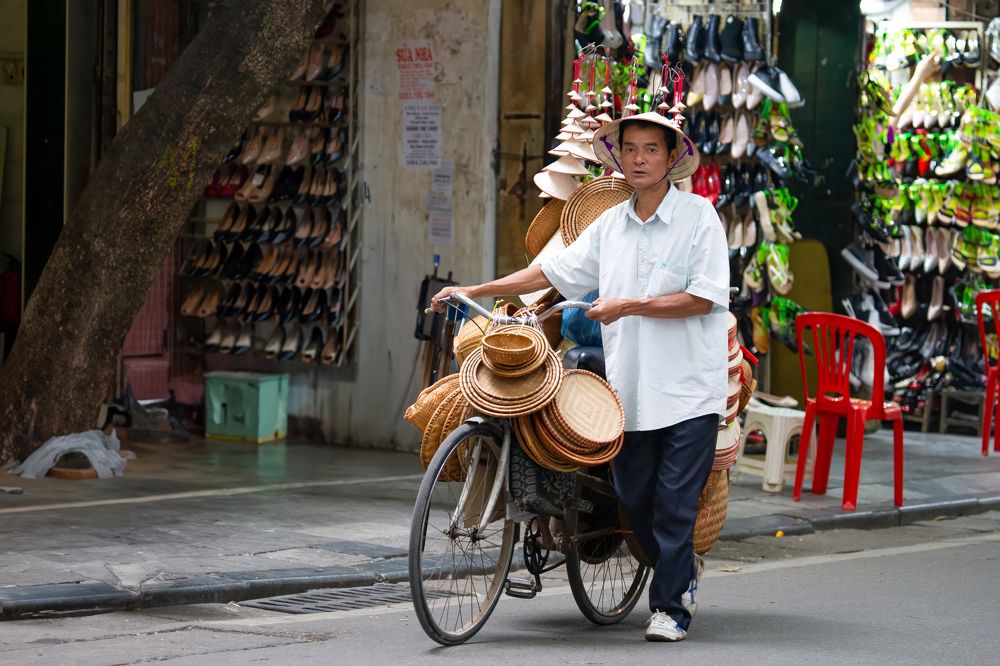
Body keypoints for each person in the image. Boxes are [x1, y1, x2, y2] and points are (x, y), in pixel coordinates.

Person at [431, 111, 729, 642]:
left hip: (688, 391)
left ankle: (670, 608)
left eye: (651, 150)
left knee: (674, 504)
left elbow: (704, 297)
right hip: (631, 393)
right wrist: (474, 290)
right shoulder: (609, 225)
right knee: (635, 503)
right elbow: (549, 272)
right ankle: (679, 575)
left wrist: (628, 306)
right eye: (631, 149)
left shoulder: (699, 218)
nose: (640, 158)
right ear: (620, 158)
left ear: (670, 159)